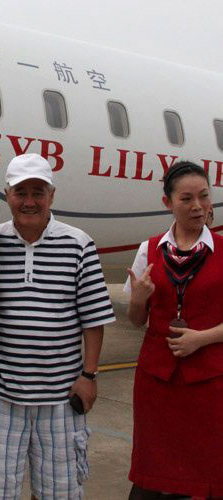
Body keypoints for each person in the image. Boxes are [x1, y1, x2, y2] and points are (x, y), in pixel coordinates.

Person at [0, 153, 115, 500]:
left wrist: (89, 376)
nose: (29, 201)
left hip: (61, 396)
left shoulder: (78, 243)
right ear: (7, 194)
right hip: (2, 395)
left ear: (51, 196)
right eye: (20, 192)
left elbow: (93, 318)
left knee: (60, 492)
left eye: (38, 192)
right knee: (1, 492)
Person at [124, 161, 223, 499]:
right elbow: (136, 320)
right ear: (168, 202)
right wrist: (138, 300)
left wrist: (202, 338)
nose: (198, 206)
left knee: (206, 470)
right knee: (154, 473)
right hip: (157, 383)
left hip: (208, 382)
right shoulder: (149, 250)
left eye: (204, 196)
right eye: (186, 198)